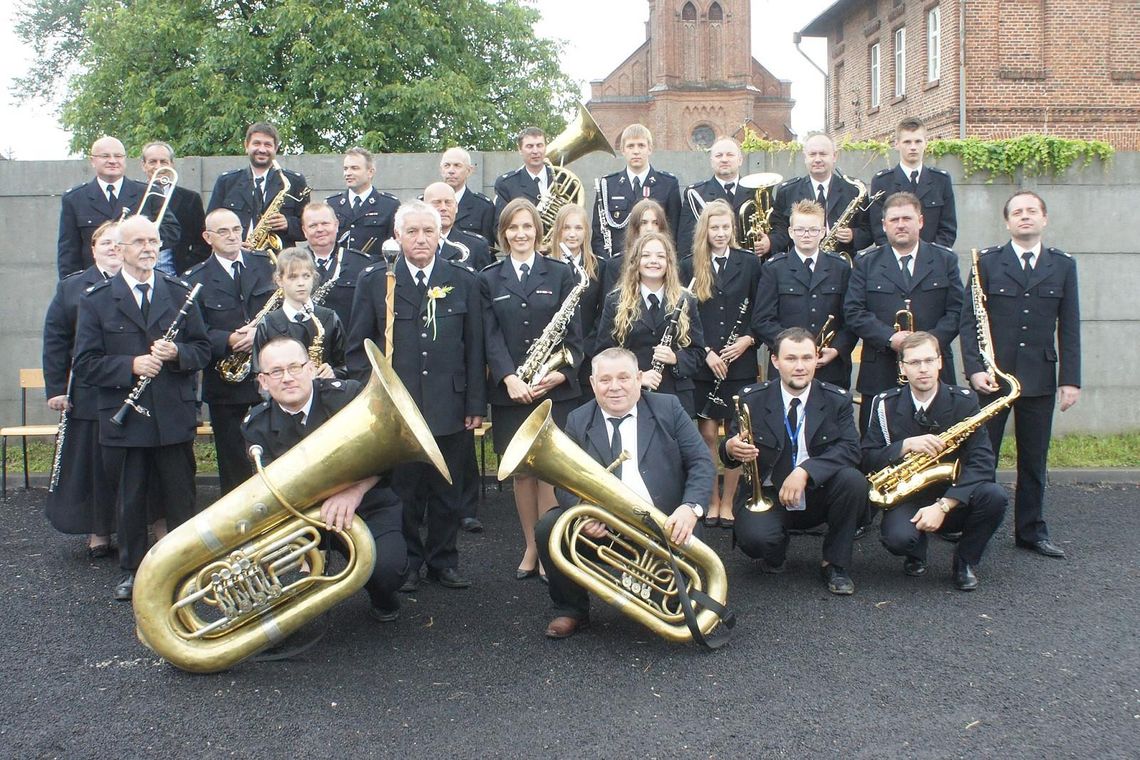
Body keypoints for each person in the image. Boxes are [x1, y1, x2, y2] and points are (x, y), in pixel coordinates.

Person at [345, 200, 485, 589]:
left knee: (447, 490)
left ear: (440, 235)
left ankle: (443, 560)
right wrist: (371, 401)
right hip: (396, 411)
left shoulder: (463, 279)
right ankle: (406, 561)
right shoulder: (376, 280)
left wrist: (475, 403)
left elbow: (475, 348)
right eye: (412, 231)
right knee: (402, 490)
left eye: (428, 231)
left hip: (450, 405)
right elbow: (359, 347)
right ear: (397, 236)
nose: (421, 239)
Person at [73, 215, 211, 600]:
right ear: (120, 248)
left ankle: (187, 568)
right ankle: (134, 571)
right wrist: (130, 365)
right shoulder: (97, 300)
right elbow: (85, 364)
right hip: (125, 416)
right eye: (139, 242)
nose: (149, 248)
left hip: (172, 412)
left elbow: (202, 350)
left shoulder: (180, 292)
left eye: (153, 241)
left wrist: (178, 352)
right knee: (130, 497)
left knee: (181, 495)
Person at [535, 347, 715, 638]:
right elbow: (562, 482)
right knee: (549, 527)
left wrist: (690, 508)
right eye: (605, 380)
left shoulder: (668, 407)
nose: (615, 387)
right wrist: (582, 509)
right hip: (608, 527)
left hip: (667, 526)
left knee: (674, 611)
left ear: (639, 378)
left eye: (623, 377)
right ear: (593, 384)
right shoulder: (579, 420)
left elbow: (701, 462)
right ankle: (571, 610)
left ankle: (650, 590)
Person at [242, 336, 406, 621]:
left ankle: (383, 597)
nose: (288, 378)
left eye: (295, 367)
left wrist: (354, 491)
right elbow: (268, 491)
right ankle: (277, 618)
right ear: (263, 381)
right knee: (254, 571)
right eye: (276, 372)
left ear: (311, 368)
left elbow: (390, 454)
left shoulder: (348, 397)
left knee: (388, 572)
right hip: (300, 519)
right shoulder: (255, 425)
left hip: (366, 506)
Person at [960, 190, 1080, 559]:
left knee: (1034, 458)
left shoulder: (1062, 265)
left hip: (1039, 378)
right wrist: (975, 371)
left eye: (1032, 211)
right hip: (994, 378)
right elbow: (970, 322)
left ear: (1044, 219)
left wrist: (1070, 380)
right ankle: (971, 524)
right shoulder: (986, 262)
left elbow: (1070, 325)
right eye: (1017, 212)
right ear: (1007, 221)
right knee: (983, 456)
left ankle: (1031, 530)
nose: (1024, 217)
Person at [479, 198, 583, 580]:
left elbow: (575, 339)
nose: (520, 234)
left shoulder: (560, 273)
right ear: (503, 234)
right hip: (511, 392)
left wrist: (559, 375)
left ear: (539, 231)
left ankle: (549, 546)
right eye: (513, 228)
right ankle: (529, 546)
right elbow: (490, 338)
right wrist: (509, 378)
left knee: (552, 473)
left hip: (554, 391)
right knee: (522, 473)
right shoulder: (488, 278)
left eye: (527, 227)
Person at [722, 327, 865, 595]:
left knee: (853, 482)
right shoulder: (750, 398)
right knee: (756, 541)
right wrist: (731, 448)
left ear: (816, 359)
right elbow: (729, 454)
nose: (800, 367)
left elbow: (850, 449)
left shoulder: (838, 399)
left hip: (817, 492)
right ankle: (775, 547)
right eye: (791, 359)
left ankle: (835, 563)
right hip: (769, 494)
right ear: (775, 361)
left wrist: (805, 471)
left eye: (807, 358)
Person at [861, 332, 1007, 590]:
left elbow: (982, 462)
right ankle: (915, 551)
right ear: (902, 367)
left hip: (954, 494)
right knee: (897, 539)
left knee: (994, 496)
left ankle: (964, 562)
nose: (923, 369)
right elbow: (867, 456)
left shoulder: (965, 402)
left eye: (929, 360)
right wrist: (903, 446)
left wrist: (945, 505)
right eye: (915, 362)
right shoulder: (884, 404)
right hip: (908, 494)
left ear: (940, 362)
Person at [844, 191, 963, 433]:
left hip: (932, 369)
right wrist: (890, 338)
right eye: (894, 220)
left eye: (907, 219)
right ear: (884, 225)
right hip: (880, 369)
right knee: (878, 447)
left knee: (939, 443)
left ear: (920, 221)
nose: (900, 225)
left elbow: (957, 311)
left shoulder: (944, 260)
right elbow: (854, 311)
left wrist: (926, 346)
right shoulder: (866, 262)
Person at [42, 221, 122, 556]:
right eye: (106, 242)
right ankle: (99, 533)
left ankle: (140, 528)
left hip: (132, 388)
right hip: (89, 392)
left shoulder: (144, 283)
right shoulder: (72, 288)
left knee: (132, 465)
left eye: (120, 243)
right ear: (93, 247)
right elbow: (56, 339)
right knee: (94, 465)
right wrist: (57, 388)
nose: (113, 248)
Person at [183, 208, 277, 494]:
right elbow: (193, 333)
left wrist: (259, 334)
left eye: (236, 229)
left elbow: (284, 308)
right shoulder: (194, 279)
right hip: (226, 380)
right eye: (223, 231)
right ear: (207, 237)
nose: (232, 236)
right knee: (233, 456)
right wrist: (228, 340)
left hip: (271, 372)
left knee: (276, 451)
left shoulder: (265, 263)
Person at [680, 200, 761, 527]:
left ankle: (728, 501)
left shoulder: (751, 263)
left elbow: (762, 308)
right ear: (705, 230)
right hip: (704, 362)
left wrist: (749, 338)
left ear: (733, 229)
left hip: (739, 362)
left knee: (738, 435)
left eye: (725, 227)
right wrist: (706, 351)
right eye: (714, 227)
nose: (720, 233)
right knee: (708, 434)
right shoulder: (690, 265)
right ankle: (710, 499)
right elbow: (683, 316)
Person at [596, 231, 706, 417]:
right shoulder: (615, 301)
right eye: (646, 255)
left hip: (676, 397)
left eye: (660, 256)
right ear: (635, 261)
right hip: (631, 396)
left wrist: (676, 358)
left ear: (669, 263)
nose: (653, 261)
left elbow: (698, 353)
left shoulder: (686, 299)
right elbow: (604, 353)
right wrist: (637, 377)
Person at [753, 199, 856, 389]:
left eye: (813, 230)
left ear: (823, 232)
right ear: (791, 232)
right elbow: (762, 320)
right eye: (800, 230)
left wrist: (836, 349)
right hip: (787, 367)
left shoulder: (840, 267)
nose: (806, 235)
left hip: (831, 369)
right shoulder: (774, 269)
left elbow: (851, 318)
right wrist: (793, 351)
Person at [57, 135, 180, 278]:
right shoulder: (75, 198)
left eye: (118, 156)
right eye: (105, 156)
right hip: (94, 283)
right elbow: (68, 251)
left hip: (138, 277)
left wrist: (142, 243)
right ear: (93, 160)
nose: (113, 161)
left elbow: (172, 231)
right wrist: (70, 287)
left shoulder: (148, 192)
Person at [766, 133, 872, 259]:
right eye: (812, 154)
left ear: (834, 156)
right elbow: (780, 230)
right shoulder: (788, 191)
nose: (817, 159)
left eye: (823, 154)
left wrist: (853, 235)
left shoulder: (853, 190)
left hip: (842, 265)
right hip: (799, 267)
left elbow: (869, 230)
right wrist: (770, 243)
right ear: (805, 157)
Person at [207, 121, 309, 250]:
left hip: (279, 263)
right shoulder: (226, 181)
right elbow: (210, 225)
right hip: (235, 256)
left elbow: (309, 228)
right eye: (256, 143)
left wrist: (288, 223)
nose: (262, 149)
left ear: (275, 148)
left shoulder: (294, 181)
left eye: (268, 145)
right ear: (246, 145)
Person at [253, 247, 347, 380]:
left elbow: (346, 365)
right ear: (279, 280)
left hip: (326, 394)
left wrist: (334, 373)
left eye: (306, 276)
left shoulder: (330, 318)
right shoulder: (268, 324)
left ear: (313, 278)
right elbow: (259, 375)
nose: (301, 283)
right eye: (293, 277)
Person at [591, 123, 682, 258]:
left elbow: (674, 230)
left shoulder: (668, 184)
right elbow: (598, 234)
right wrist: (607, 265)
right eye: (630, 146)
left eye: (641, 145)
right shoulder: (608, 185)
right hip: (617, 264)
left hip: (655, 262)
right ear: (622, 150)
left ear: (650, 149)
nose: (636, 151)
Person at [868, 118, 957, 248]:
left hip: (933, 260)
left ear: (926, 143)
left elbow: (948, 228)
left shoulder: (941, 180)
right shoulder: (882, 182)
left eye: (918, 141)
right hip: (896, 261)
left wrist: (932, 255)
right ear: (897, 144)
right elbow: (879, 230)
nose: (913, 147)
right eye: (907, 142)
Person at [547, 203, 604, 405]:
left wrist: (581, 351)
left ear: (587, 232)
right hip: (554, 362)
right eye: (566, 228)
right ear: (557, 231)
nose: (572, 234)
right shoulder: (544, 266)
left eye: (578, 228)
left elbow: (603, 317)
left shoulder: (601, 267)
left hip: (589, 360)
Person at [299, 201, 373, 328]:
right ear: (304, 231)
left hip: (347, 342)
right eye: (313, 226)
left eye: (325, 223)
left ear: (336, 225)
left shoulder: (361, 264)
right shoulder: (293, 263)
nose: (320, 229)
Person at [676, 137, 752, 257]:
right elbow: (686, 241)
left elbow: (776, 228)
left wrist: (769, 242)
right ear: (711, 161)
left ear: (740, 160)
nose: (724, 159)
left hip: (750, 267)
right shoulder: (696, 194)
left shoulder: (756, 190)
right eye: (719, 155)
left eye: (730, 155)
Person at [141, 140, 207, 274]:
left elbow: (202, 243)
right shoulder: (133, 194)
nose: (158, 166)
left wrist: (186, 269)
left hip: (175, 273)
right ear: (143, 165)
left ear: (172, 164)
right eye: (152, 162)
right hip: (138, 272)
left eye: (163, 162)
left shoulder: (190, 199)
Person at [325, 146, 399, 256]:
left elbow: (394, 247)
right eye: (345, 168)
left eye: (354, 168)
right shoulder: (331, 204)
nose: (347, 173)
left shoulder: (389, 205)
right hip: (339, 270)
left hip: (374, 270)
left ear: (370, 172)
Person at [598, 197, 672, 296]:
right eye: (644, 223)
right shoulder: (615, 265)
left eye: (655, 223)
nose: (649, 229)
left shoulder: (669, 262)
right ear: (635, 227)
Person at [423, 182, 493, 271]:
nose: (443, 208)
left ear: (456, 207)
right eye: (437, 203)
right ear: (424, 207)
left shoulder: (476, 246)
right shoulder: (410, 243)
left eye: (448, 203)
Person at [493, 127, 552, 228]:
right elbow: (500, 226)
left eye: (539, 145)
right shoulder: (507, 184)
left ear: (545, 147)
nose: (535, 151)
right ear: (520, 150)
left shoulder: (562, 179)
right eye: (529, 146)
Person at [440, 146, 495, 242]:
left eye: (457, 165)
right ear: (441, 170)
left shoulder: (483, 207)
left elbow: (487, 250)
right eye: (447, 165)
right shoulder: (425, 204)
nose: (451, 171)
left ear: (469, 171)